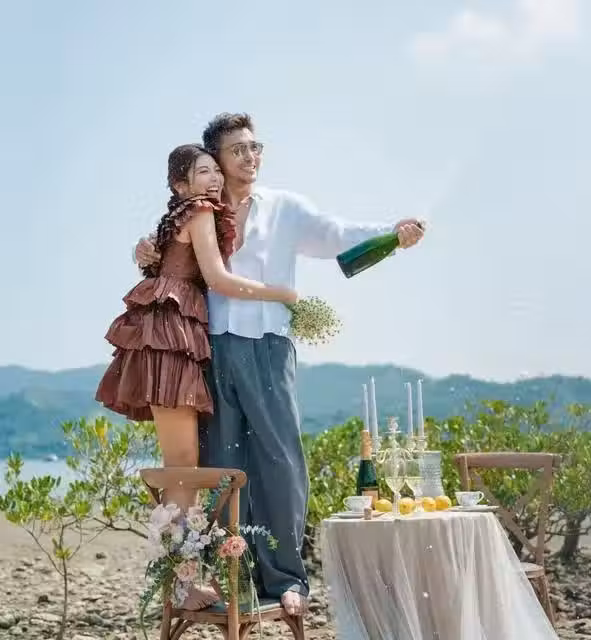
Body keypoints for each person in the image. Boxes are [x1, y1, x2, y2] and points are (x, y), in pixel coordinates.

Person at [134, 113, 425, 615]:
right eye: (238, 149)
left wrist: (392, 233)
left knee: (281, 458)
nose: (250, 156)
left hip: (269, 345)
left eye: (255, 147)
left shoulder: (285, 207)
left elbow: (336, 233)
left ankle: (288, 578)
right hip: (209, 348)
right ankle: (233, 574)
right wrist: (141, 251)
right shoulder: (201, 207)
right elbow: (165, 255)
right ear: (216, 160)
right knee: (223, 463)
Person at [96, 143, 297, 609]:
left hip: (167, 337)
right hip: (171, 340)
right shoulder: (201, 212)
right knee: (183, 466)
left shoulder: (180, 215)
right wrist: (279, 293)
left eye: (214, 171)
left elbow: (161, 261)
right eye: (203, 172)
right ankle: (183, 583)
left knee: (182, 465)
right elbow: (219, 279)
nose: (213, 179)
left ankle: (183, 579)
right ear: (180, 185)